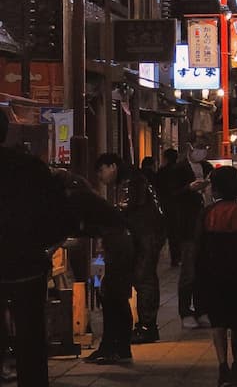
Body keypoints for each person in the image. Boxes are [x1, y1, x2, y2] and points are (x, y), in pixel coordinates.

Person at [0, 110, 71, 386]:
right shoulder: (32, 168)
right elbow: (59, 216)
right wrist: (43, 246)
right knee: (30, 332)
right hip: (26, 264)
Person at [56, 171, 135, 367]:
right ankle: (115, 347)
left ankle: (114, 348)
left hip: (113, 247)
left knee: (111, 295)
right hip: (109, 246)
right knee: (108, 294)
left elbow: (72, 226)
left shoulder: (76, 197)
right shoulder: (86, 196)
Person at [194, 166, 237, 387]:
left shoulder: (207, 213)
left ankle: (222, 366)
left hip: (213, 274)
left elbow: (199, 249)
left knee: (218, 321)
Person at [95, 152, 166, 344]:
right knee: (143, 278)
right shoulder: (133, 177)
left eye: (101, 171)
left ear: (112, 167)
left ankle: (147, 327)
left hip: (147, 234)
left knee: (144, 278)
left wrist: (107, 215)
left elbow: (128, 206)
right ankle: (145, 325)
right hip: (148, 233)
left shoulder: (132, 179)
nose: (101, 178)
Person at [171, 133, 214, 328]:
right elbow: (171, 195)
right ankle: (185, 312)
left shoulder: (208, 168)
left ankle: (202, 309)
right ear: (190, 146)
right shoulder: (179, 170)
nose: (202, 150)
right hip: (188, 226)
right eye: (199, 146)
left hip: (207, 223)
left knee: (204, 270)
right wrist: (189, 188)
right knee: (188, 271)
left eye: (205, 146)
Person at [156, 148, 181, 266]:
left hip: (166, 204)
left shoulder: (162, 172)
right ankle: (179, 256)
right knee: (178, 230)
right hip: (179, 204)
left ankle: (174, 257)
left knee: (170, 231)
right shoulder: (181, 170)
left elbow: (158, 188)